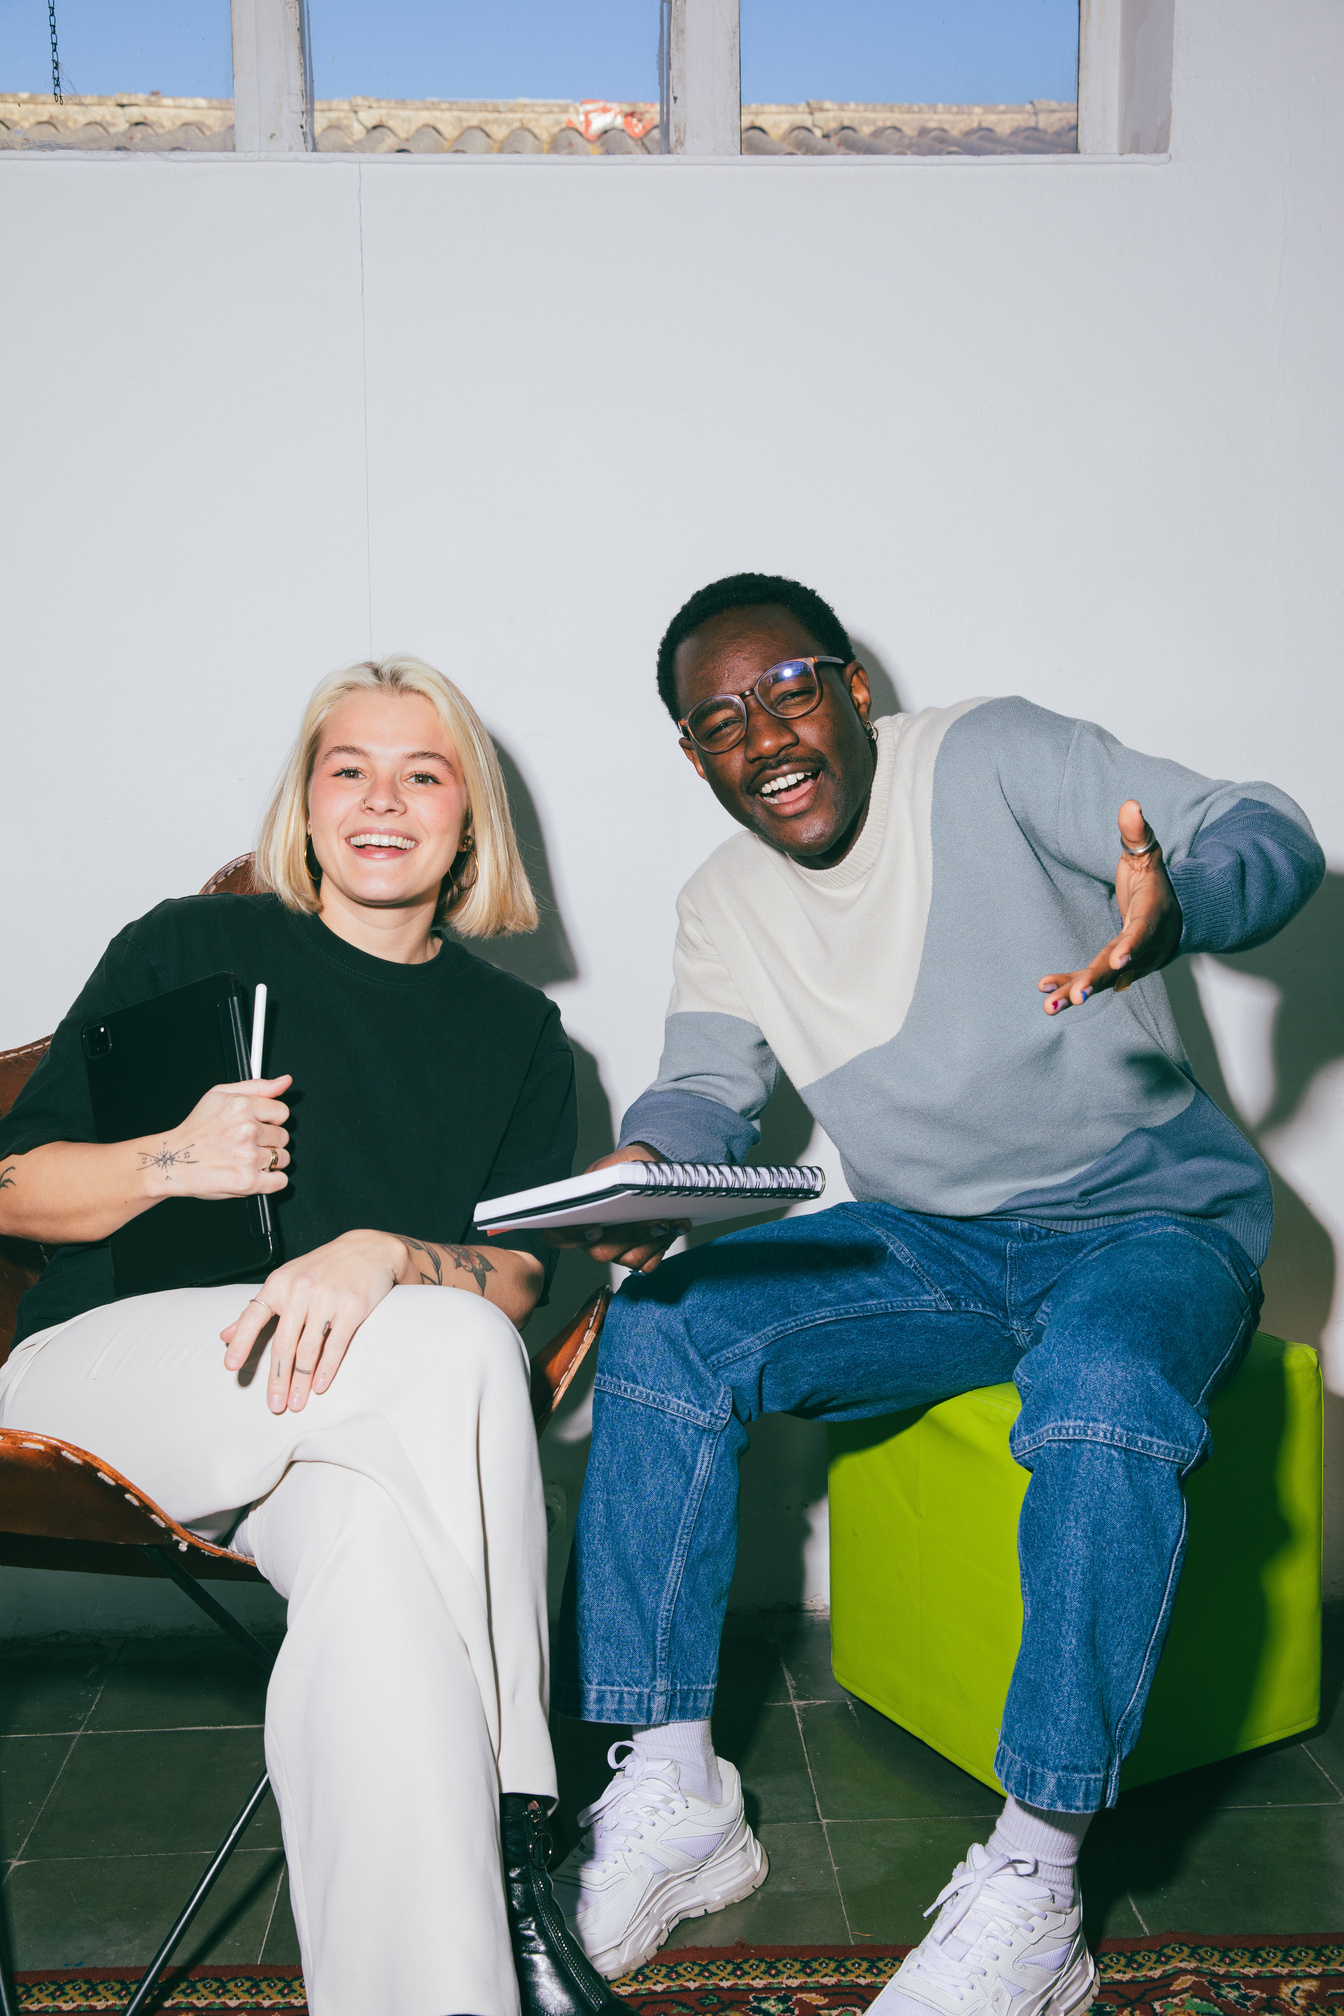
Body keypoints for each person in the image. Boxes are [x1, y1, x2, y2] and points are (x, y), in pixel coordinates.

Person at [549, 574, 1324, 2009]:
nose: (766, 734)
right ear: (692, 756)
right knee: (666, 1327)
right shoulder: (722, 901)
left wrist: (1185, 904)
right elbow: (709, 1089)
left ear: (852, 687)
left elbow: (1256, 830)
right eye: (720, 720)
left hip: (1147, 1215)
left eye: (790, 688)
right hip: (937, 1240)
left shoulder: (991, 754)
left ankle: (1037, 1886)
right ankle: (677, 1794)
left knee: (1101, 1395)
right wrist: (656, 1164)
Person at [0, 656, 625, 2016]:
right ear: (305, 799)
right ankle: (528, 1826)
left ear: (472, 820)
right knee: (452, 1355)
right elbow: (12, 1188)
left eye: (424, 772)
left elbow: (513, 1282)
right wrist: (173, 1159)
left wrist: (386, 1254)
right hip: (117, 1377)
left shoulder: (519, 1036)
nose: (383, 800)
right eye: (350, 767)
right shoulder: (190, 943)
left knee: (384, 1594)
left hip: (348, 1424)